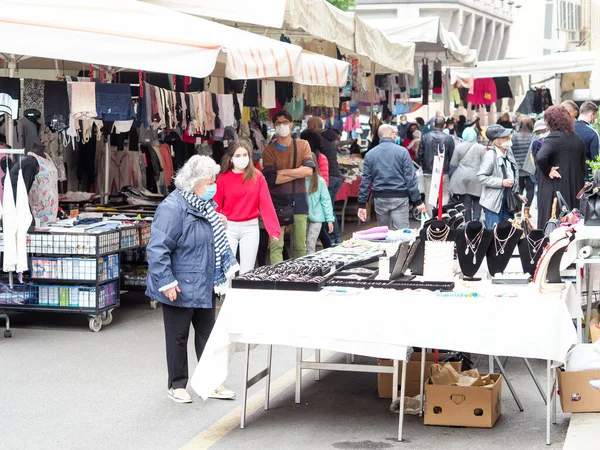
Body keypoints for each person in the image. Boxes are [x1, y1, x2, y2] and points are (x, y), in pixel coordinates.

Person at [146, 155, 238, 403]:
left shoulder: (203, 205)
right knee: (178, 337)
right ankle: (176, 385)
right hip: (179, 283)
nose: (213, 185)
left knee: (207, 335)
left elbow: (200, 236)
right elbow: (158, 248)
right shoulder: (172, 207)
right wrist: (167, 282)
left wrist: (216, 224)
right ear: (195, 182)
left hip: (204, 281)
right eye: (209, 181)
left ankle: (211, 382)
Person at [214, 140, 281, 275]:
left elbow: (266, 204)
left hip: (250, 227)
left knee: (247, 271)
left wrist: (274, 230)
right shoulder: (222, 178)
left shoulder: (257, 176)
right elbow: (216, 205)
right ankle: (226, 296)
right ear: (231, 159)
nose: (242, 158)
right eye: (238, 156)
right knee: (227, 271)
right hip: (228, 227)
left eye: (245, 155)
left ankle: (241, 296)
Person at [262, 110, 315, 264]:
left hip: (299, 200)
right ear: (274, 126)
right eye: (278, 123)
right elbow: (272, 179)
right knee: (276, 245)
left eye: (285, 122)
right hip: (277, 201)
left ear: (291, 124)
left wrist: (283, 172)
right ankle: (277, 280)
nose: (282, 126)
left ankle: (300, 278)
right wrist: (298, 172)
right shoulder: (269, 151)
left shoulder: (303, 144)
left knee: (300, 246)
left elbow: (309, 170)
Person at [357, 125, 426, 229]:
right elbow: (410, 178)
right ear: (390, 134)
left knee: (383, 233)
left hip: (380, 197)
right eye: (394, 133)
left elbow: (366, 180)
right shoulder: (402, 152)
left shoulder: (370, 154)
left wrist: (362, 204)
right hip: (400, 197)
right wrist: (418, 201)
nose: (396, 136)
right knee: (402, 234)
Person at [535, 105, 586, 229]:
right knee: (572, 222)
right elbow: (582, 166)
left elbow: (540, 157)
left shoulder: (553, 138)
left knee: (553, 223)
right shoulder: (577, 139)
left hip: (555, 189)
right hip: (575, 188)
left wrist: (548, 170)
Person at [477, 124, 523, 228]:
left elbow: (511, 174)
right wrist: (501, 182)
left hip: (507, 201)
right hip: (493, 203)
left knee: (507, 232)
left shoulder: (508, 153)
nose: (508, 138)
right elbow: (481, 177)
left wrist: (516, 194)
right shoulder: (490, 155)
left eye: (508, 136)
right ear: (497, 141)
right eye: (505, 137)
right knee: (495, 233)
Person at [418, 116, 455, 216]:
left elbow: (419, 154)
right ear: (444, 126)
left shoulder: (425, 136)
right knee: (444, 194)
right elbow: (451, 155)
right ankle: (441, 216)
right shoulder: (448, 138)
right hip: (444, 171)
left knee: (429, 195)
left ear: (434, 125)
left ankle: (431, 218)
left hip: (428, 171)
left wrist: (423, 165)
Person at [300, 128, 331, 249]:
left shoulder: (319, 158)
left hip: (317, 211)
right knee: (306, 242)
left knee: (314, 238)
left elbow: (325, 198)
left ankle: (328, 251)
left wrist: (329, 218)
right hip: (308, 213)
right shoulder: (302, 178)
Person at [449, 127, 486, 222]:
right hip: (477, 178)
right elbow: (485, 164)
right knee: (478, 200)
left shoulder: (458, 147)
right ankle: (477, 219)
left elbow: (453, 163)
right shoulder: (482, 148)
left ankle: (468, 222)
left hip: (462, 178)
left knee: (466, 201)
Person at [305, 154, 335, 254]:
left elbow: (326, 200)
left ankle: (310, 266)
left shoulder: (320, 181)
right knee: (302, 244)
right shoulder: (299, 181)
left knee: (310, 243)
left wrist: (329, 219)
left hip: (317, 218)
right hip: (303, 216)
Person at [320, 127, 344, 245]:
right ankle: (334, 237)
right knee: (330, 208)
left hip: (328, 177)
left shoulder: (320, 140)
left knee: (328, 209)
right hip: (336, 176)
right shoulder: (331, 140)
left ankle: (334, 238)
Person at [511, 117, 535, 217]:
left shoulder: (514, 137)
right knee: (530, 188)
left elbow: (511, 151)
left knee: (519, 188)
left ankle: (518, 210)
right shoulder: (533, 136)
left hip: (518, 167)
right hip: (529, 167)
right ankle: (526, 210)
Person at [574, 101, 599, 176]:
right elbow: (596, 160)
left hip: (569, 175)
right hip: (586, 176)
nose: (594, 120)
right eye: (595, 117)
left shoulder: (568, 129)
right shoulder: (592, 133)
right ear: (592, 115)